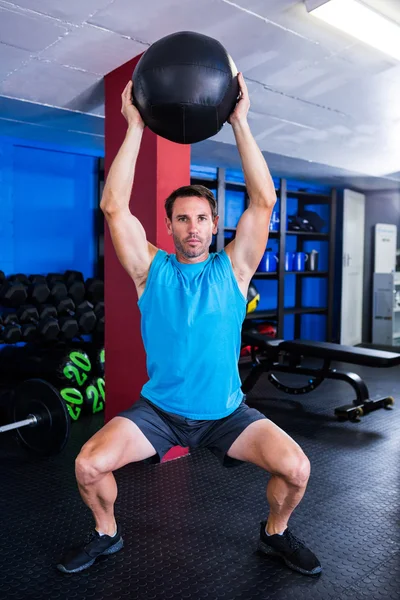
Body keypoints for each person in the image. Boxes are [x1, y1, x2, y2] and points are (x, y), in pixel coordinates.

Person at [57, 73, 321, 577]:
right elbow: (114, 206)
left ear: (214, 223)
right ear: (170, 224)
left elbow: (263, 201)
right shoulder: (149, 269)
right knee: (89, 463)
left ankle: (275, 534)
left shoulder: (234, 269)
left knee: (297, 469)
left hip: (226, 412)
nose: (193, 228)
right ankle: (106, 534)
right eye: (182, 219)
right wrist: (133, 124)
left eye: (201, 218)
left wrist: (241, 122)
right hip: (160, 412)